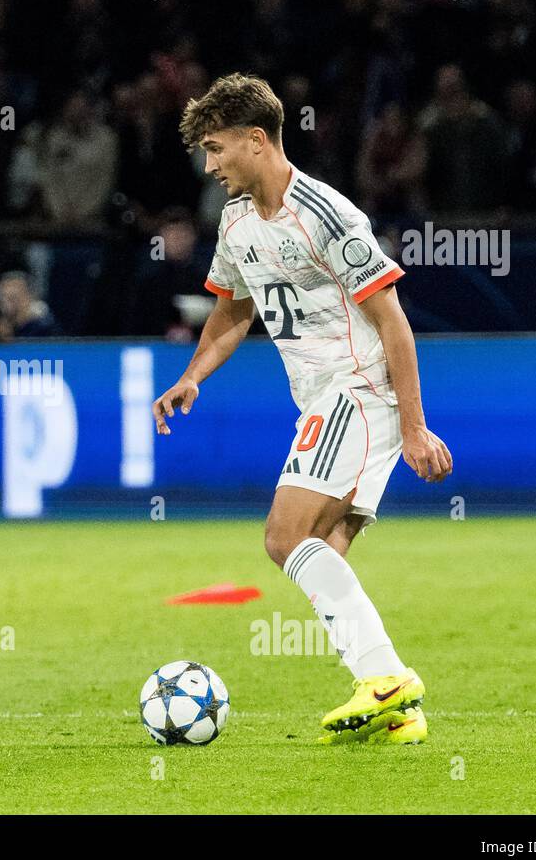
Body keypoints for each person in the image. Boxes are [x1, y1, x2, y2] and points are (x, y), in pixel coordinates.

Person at [154, 73, 453, 745]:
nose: (209, 166)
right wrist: (193, 375)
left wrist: (413, 427)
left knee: (284, 537)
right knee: (328, 547)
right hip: (325, 398)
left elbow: (393, 321)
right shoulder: (235, 223)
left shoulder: (326, 213)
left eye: (215, 148)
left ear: (255, 140)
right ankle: (395, 709)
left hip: (357, 389)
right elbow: (232, 310)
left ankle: (385, 676)